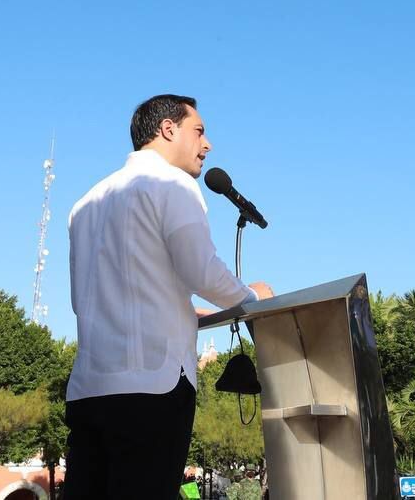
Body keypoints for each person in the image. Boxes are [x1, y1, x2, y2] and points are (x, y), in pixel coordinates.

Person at [65, 95, 273, 499]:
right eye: (199, 130)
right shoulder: (172, 182)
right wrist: (252, 297)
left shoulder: (84, 203)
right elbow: (202, 270)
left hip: (88, 390)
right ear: (167, 129)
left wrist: (183, 310)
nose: (207, 143)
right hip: (151, 389)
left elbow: (93, 297)